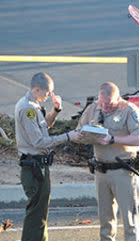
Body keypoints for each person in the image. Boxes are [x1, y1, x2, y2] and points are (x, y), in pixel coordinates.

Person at [75, 82, 139, 241]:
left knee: (130, 220)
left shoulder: (129, 110)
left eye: (110, 104)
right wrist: (83, 136)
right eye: (102, 103)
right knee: (105, 219)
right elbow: (79, 130)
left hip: (123, 171)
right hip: (101, 171)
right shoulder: (93, 109)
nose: (105, 107)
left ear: (118, 99)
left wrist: (112, 139)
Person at [14, 72, 80, 241]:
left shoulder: (34, 104)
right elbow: (39, 141)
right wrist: (68, 136)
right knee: (36, 213)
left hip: (39, 166)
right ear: (37, 89)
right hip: (33, 167)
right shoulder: (28, 109)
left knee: (41, 211)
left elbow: (43, 126)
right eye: (47, 92)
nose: (50, 95)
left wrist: (56, 110)